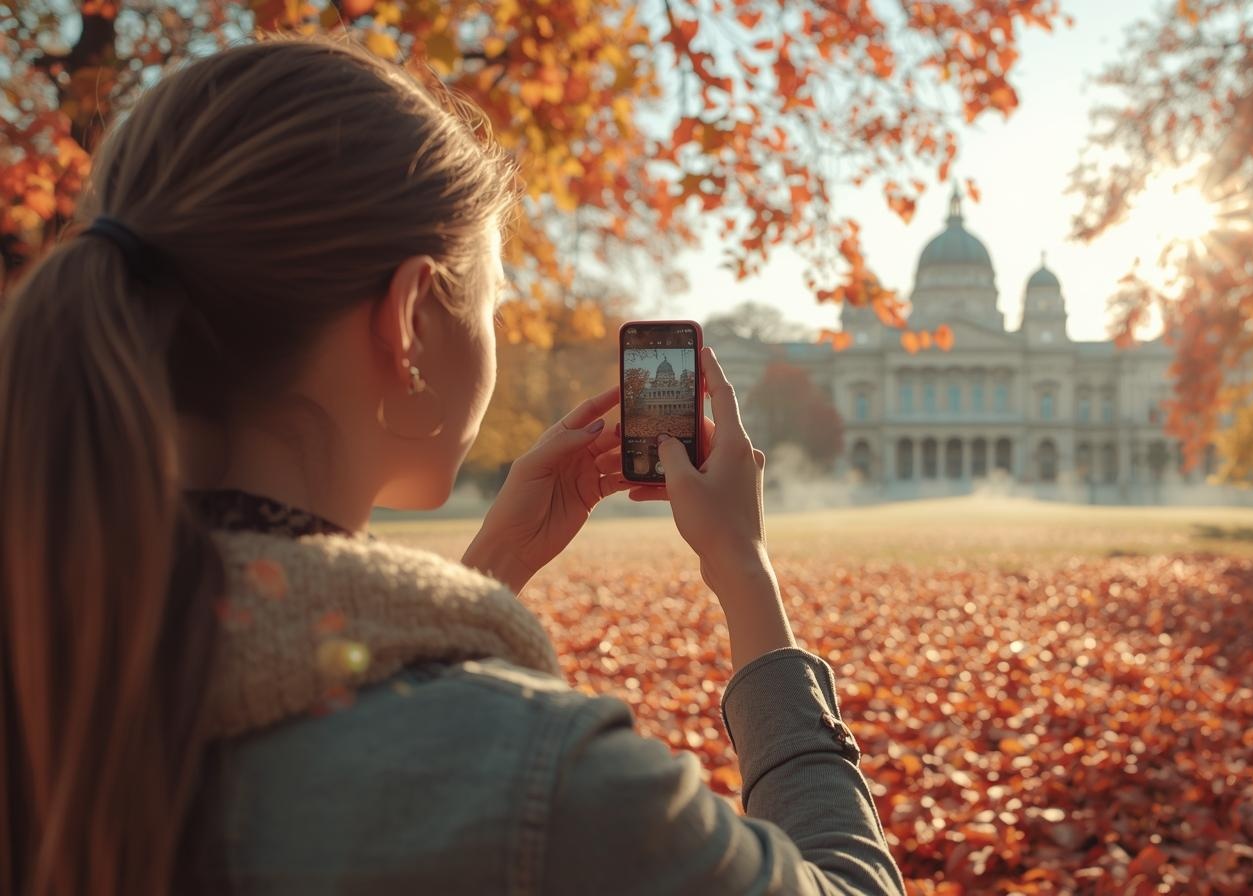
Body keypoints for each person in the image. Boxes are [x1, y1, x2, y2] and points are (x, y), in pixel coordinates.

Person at [0, 35, 903, 896]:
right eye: (493, 301)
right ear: (410, 322)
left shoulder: (63, 663)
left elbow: (322, 679)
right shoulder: (546, 780)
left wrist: (490, 577)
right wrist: (745, 574)